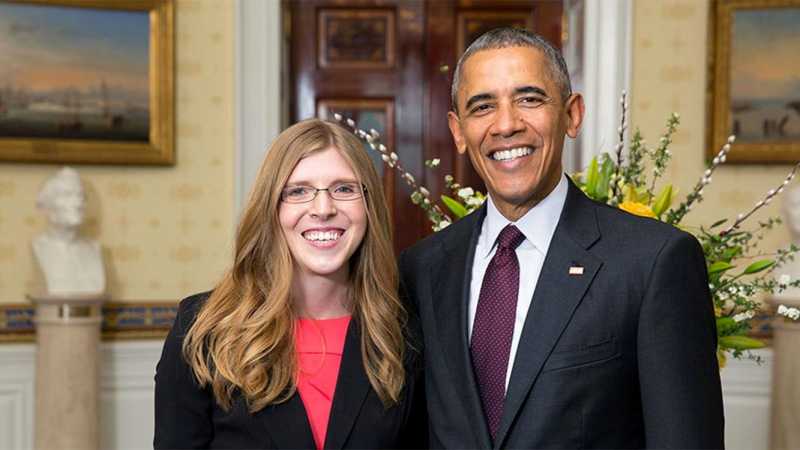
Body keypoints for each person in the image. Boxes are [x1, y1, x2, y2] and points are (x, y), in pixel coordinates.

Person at [399, 28, 724, 449]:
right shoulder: (423, 268)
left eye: (529, 99)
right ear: (458, 131)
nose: (506, 124)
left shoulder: (653, 261)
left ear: (571, 115)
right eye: (482, 107)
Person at [155, 119, 425, 449]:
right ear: (271, 208)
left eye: (344, 188)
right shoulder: (202, 328)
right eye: (298, 191)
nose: (323, 209)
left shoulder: (406, 331)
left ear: (369, 207)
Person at [32, 166, 105, 295]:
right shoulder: (38, 247)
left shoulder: (94, 248)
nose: (77, 203)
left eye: (81, 196)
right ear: (47, 205)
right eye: (67, 195)